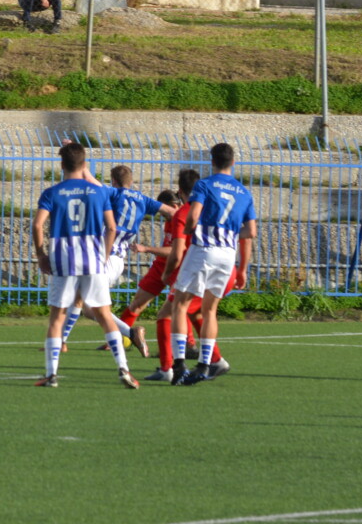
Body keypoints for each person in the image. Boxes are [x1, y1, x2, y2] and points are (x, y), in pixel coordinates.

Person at [31, 142, 138, 390]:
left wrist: (41, 255)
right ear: (84, 164)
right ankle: (123, 368)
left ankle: (51, 374)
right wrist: (105, 254)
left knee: (57, 317)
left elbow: (37, 225)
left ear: (62, 165)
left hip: (63, 261)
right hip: (93, 260)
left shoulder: (52, 192)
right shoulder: (98, 192)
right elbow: (111, 227)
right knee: (104, 315)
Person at [61, 165, 174, 357]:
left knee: (82, 300)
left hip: (106, 256)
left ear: (114, 181)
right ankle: (130, 333)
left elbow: (91, 181)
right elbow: (171, 212)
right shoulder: (144, 199)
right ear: (132, 181)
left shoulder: (114, 193)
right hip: (118, 260)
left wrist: (80, 163)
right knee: (88, 306)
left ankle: (62, 342)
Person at [168, 142, 256, 386]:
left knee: (180, 305)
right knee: (209, 310)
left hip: (203, 249)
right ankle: (204, 365)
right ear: (233, 162)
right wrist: (240, 262)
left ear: (212, 161)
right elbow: (250, 231)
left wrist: (190, 230)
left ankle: (179, 365)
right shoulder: (244, 192)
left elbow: (194, 215)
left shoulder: (204, 185)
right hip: (227, 255)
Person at [119, 170, 198, 366]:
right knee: (137, 302)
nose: (163, 216)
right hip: (161, 265)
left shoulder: (183, 218)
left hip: (178, 266)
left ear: (174, 206)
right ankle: (119, 339)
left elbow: (175, 251)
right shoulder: (173, 220)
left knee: (178, 309)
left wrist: (146, 248)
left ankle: (188, 348)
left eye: (165, 211)